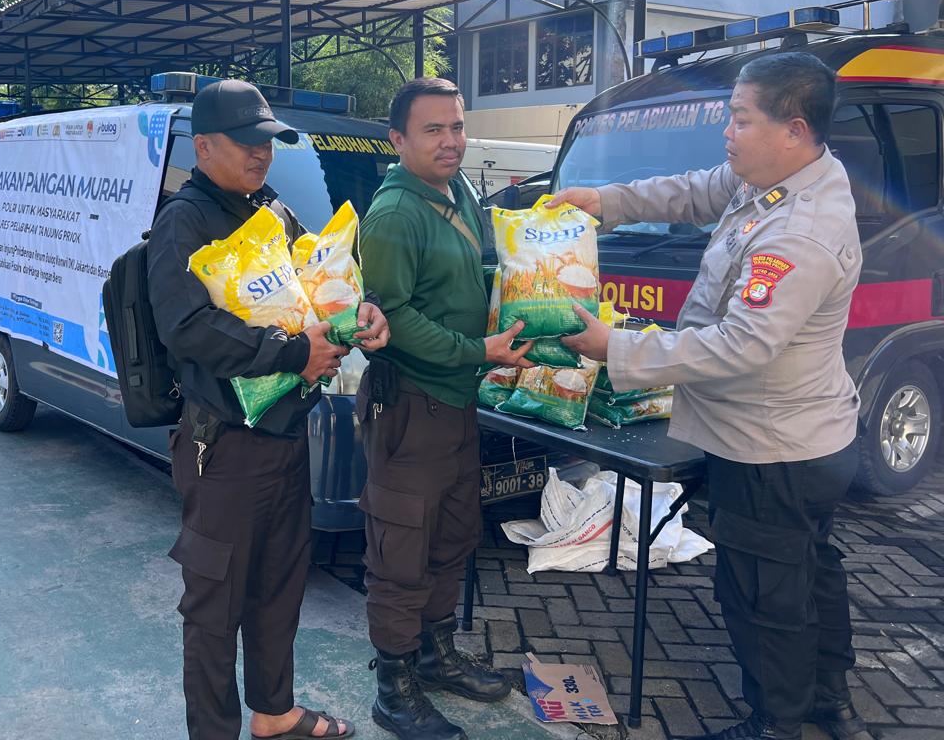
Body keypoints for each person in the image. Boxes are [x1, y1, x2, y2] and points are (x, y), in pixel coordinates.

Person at [555, 53, 870, 740]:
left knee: (762, 594)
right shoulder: (783, 178)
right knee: (808, 571)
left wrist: (619, 348)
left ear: (792, 128)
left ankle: (778, 723)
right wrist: (604, 202)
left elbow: (740, 346)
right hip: (806, 436)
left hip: (771, 447)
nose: (727, 132)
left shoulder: (801, 231)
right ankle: (827, 701)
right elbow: (694, 190)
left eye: (739, 118)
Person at [149, 79, 391, 740]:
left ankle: (273, 712)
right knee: (212, 605)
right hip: (223, 449)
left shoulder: (273, 211)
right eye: (247, 142)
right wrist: (291, 354)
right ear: (204, 146)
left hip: (286, 438)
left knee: (280, 587)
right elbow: (186, 327)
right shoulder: (184, 222)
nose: (262, 153)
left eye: (268, 142)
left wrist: (355, 312)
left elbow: (317, 281)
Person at [359, 77, 535, 740]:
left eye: (457, 126)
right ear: (399, 139)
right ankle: (394, 689)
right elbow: (392, 316)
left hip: (459, 403)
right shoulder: (393, 216)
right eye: (434, 130)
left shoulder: (457, 190)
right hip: (412, 410)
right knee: (401, 550)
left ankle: (435, 657)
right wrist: (477, 349)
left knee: (453, 537)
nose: (452, 141)